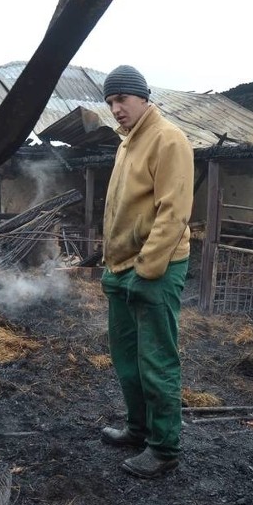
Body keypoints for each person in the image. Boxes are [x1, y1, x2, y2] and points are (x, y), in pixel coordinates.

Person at [99, 65, 194, 479]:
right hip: (121, 268)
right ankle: (138, 429)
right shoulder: (126, 145)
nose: (115, 109)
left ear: (142, 97)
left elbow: (173, 214)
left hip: (155, 266)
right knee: (126, 358)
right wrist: (112, 266)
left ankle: (164, 447)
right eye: (110, 102)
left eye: (121, 99)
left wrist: (147, 269)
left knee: (156, 359)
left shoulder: (168, 140)